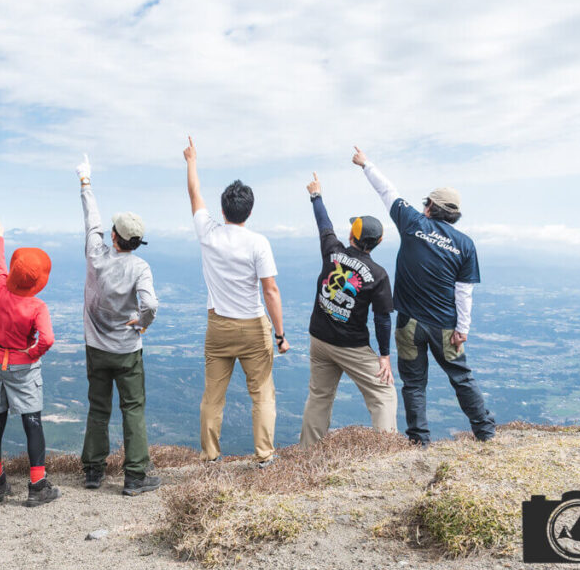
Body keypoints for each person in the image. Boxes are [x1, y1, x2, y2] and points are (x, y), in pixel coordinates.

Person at [352, 146, 496, 445]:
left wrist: (365, 163)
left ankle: (419, 441)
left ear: (430, 206)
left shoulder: (413, 223)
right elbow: (464, 292)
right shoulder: (465, 245)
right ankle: (485, 432)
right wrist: (463, 329)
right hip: (445, 327)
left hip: (408, 325)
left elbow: (386, 191)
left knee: (414, 384)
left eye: (426, 202)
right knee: (462, 378)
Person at [183, 137, 289, 467]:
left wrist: (191, 160)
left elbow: (194, 194)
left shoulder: (208, 232)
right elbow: (270, 290)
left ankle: (211, 457)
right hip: (254, 328)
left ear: (223, 209)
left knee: (212, 397)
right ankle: (264, 456)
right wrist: (281, 335)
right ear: (250, 211)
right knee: (262, 394)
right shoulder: (258, 243)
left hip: (218, 327)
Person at [74, 155, 161, 496]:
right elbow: (150, 304)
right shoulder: (140, 268)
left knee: (98, 407)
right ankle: (135, 476)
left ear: (113, 236)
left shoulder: (95, 255)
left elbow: (90, 218)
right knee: (133, 409)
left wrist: (85, 180)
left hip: (96, 347)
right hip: (127, 349)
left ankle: (94, 471)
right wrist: (143, 322)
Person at [299, 173, 397, 447]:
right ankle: (387, 453)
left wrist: (316, 195)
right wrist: (385, 357)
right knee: (384, 393)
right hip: (350, 345)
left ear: (352, 236)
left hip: (318, 339)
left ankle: (306, 455)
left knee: (319, 397)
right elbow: (382, 319)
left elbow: (324, 224)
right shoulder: (377, 275)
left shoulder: (332, 251)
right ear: (376, 243)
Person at [0, 214, 60, 506]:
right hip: (22, 368)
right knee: (32, 423)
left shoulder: (0, 291)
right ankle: (37, 486)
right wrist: (32, 353)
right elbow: (48, 339)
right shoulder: (37, 306)